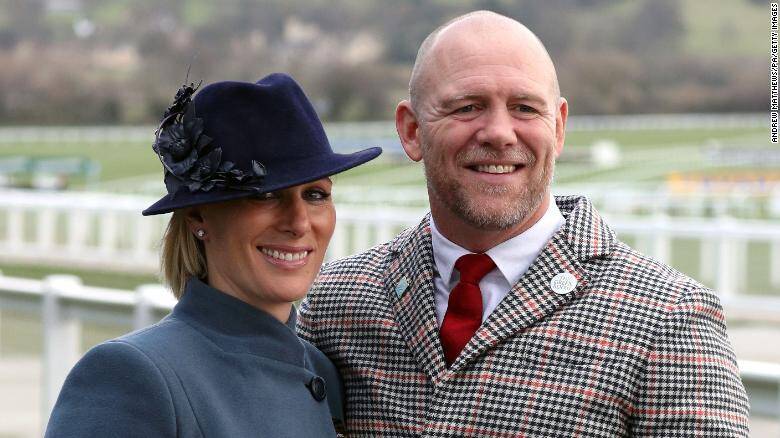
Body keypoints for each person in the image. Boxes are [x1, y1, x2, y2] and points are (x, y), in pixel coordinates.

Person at [298, 10, 750, 437]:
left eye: (525, 109)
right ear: (412, 131)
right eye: (468, 107)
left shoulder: (671, 320)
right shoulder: (337, 300)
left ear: (558, 126)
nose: (498, 132)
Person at [45, 73, 381, 437]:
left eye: (315, 195)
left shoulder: (324, 371)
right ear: (198, 216)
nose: (299, 223)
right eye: (266, 195)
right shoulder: (131, 374)